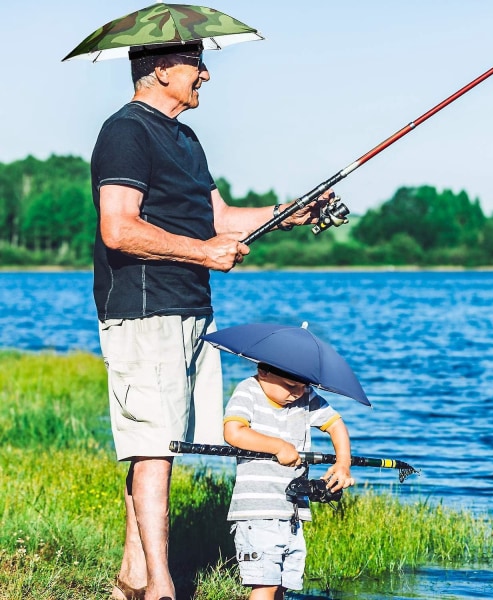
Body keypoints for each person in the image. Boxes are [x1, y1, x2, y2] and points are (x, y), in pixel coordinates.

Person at [91, 41, 330, 600]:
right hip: (144, 309)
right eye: (195, 63)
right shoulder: (125, 132)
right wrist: (204, 253)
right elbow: (118, 228)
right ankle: (161, 585)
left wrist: (287, 214)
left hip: (193, 309)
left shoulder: (186, 138)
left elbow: (219, 218)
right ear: (159, 69)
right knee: (152, 447)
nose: (206, 73)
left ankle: (133, 572)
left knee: (163, 443)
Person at [223, 362, 355, 600]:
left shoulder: (306, 397)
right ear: (264, 372)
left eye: (304, 386)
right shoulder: (248, 390)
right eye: (290, 386)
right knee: (264, 586)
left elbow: (335, 424)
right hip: (257, 511)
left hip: (294, 513)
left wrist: (343, 463)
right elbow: (234, 432)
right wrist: (278, 446)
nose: (297, 393)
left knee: (283, 585)